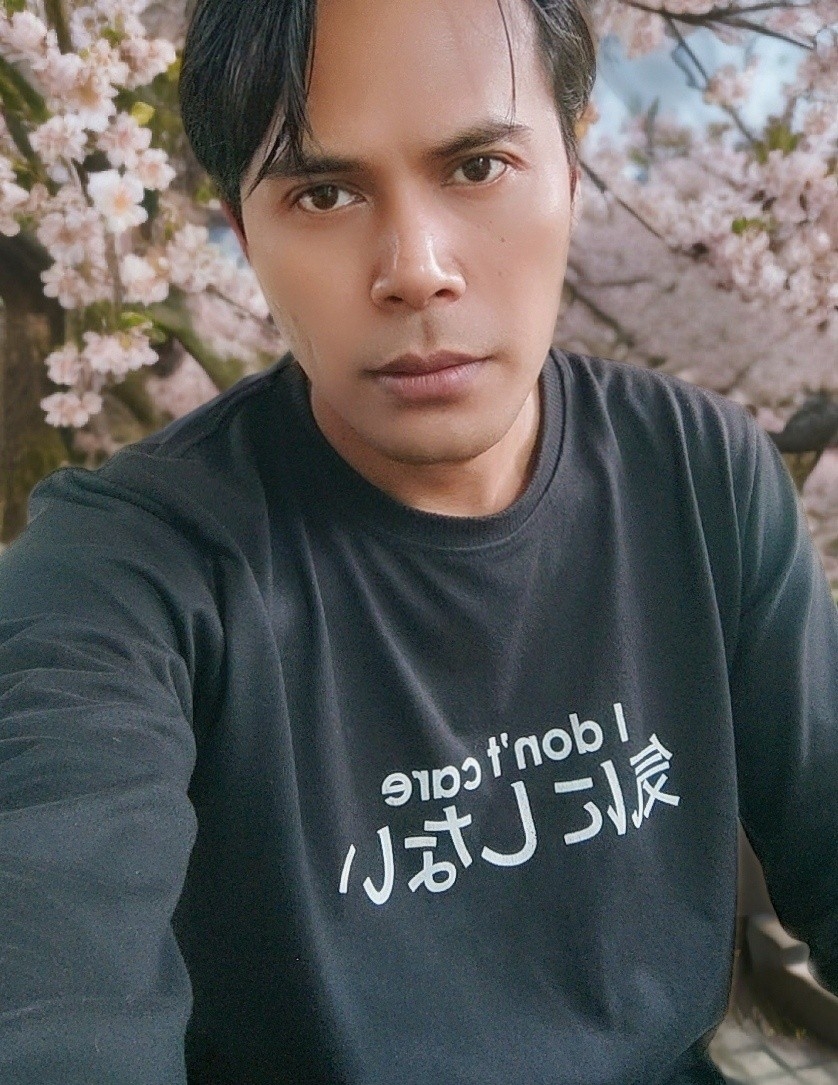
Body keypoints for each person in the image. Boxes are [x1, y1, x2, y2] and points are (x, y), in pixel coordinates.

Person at [0, 0, 836, 1081]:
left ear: (572, 167)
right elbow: (52, 972)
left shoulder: (696, 469)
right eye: (323, 193)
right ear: (244, 232)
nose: (416, 267)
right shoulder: (129, 569)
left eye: (479, 166)